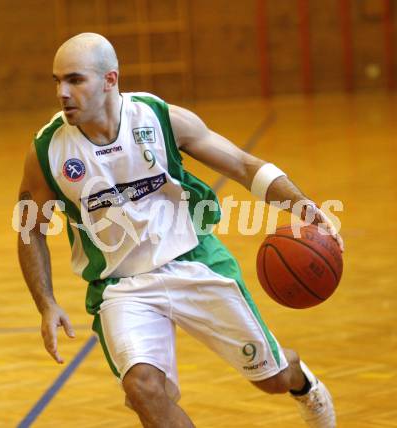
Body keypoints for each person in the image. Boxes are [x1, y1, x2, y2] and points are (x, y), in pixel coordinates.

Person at [17, 32, 343, 428]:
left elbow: (243, 166)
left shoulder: (158, 118)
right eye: (57, 81)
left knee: (273, 378)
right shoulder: (48, 149)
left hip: (193, 261)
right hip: (120, 286)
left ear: (110, 80)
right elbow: (30, 227)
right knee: (143, 388)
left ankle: (304, 385)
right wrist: (46, 302)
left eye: (75, 79)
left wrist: (304, 206)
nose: (63, 93)